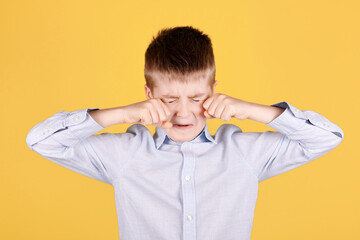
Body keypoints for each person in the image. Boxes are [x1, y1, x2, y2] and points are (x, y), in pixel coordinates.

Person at [26, 26, 344, 240]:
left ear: (215, 91)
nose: (183, 112)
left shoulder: (244, 152)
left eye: (196, 98)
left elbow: (328, 137)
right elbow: (41, 141)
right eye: (168, 99)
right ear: (149, 95)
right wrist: (121, 114)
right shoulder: (126, 152)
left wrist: (252, 111)